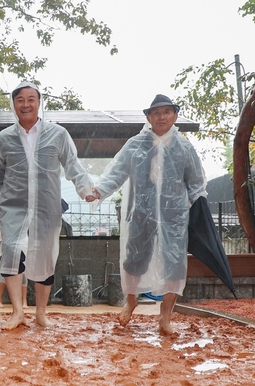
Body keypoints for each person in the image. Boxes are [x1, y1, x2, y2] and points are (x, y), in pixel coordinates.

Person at [0, 81, 93, 330]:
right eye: (20, 100)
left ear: (39, 103)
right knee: (12, 252)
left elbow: (73, 164)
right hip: (13, 205)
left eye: (31, 99)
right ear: (13, 105)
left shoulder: (57, 134)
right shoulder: (4, 139)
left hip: (46, 205)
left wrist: (86, 190)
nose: (25, 104)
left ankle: (40, 312)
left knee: (45, 256)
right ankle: (17, 311)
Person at [85, 94, 207, 335]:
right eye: (156, 113)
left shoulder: (184, 147)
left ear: (175, 116)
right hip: (140, 214)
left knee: (174, 265)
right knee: (134, 261)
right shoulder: (135, 144)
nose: (161, 117)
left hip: (174, 218)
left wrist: (199, 209)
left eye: (166, 112)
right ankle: (130, 301)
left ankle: (165, 317)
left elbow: (196, 182)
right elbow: (116, 173)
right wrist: (98, 191)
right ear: (148, 117)